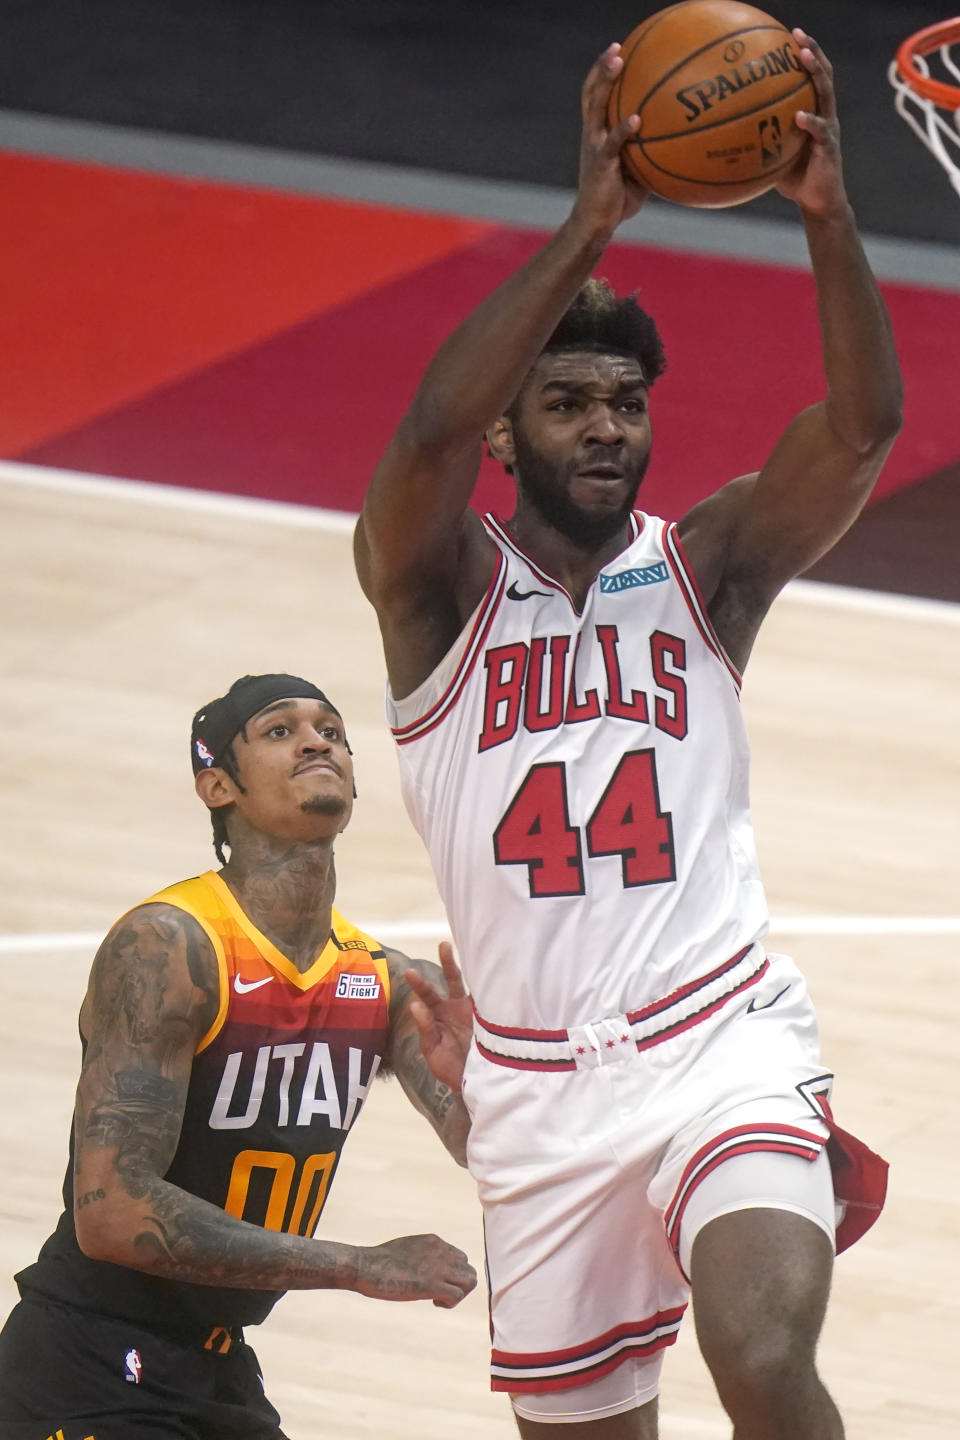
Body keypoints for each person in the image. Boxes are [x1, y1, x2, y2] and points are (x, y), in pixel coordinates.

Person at [354, 31, 901, 1440]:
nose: (608, 428)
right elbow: (420, 430)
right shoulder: (438, 595)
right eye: (568, 400)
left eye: (626, 401)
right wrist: (592, 216)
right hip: (534, 1097)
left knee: (763, 1353)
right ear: (506, 433)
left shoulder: (707, 566)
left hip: (719, 1036)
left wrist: (831, 221)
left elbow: (859, 429)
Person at [0, 673, 477, 1439]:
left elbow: (487, 1149)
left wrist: (494, 1078)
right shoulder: (168, 945)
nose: (318, 740)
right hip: (89, 1360)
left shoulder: (385, 982)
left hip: (218, 1364)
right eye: (280, 731)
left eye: (331, 729)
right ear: (216, 783)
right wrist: (355, 1264)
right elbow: (114, 1212)